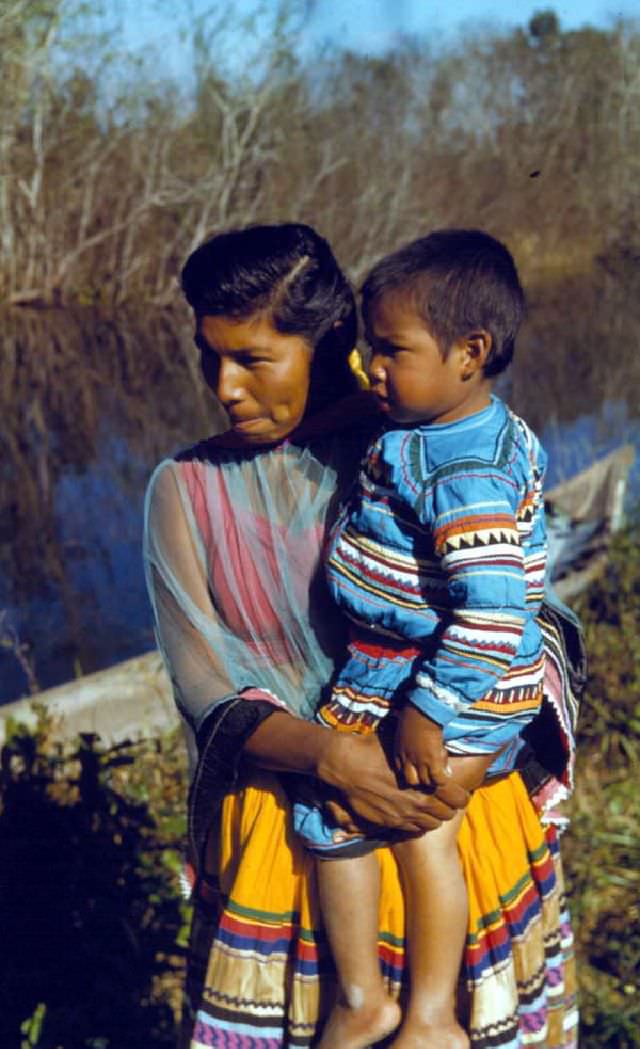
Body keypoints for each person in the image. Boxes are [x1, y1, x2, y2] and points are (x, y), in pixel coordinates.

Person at [143, 222, 580, 1048]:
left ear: (329, 347)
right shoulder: (184, 490)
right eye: (212, 357)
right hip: (290, 836)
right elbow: (204, 691)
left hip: (446, 808)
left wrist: (469, 757)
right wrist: (331, 757)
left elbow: (527, 612)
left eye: (254, 360)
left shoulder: (409, 440)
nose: (224, 387)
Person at [292, 230, 548, 1049]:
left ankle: (383, 1001)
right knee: (423, 824)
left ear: (469, 352)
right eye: (370, 348)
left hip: (441, 676)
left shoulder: (463, 472)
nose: (373, 367)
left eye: (392, 351)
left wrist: (428, 712)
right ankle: (424, 1010)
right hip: (458, 671)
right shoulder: (452, 423)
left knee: (347, 814)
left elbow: (493, 610)